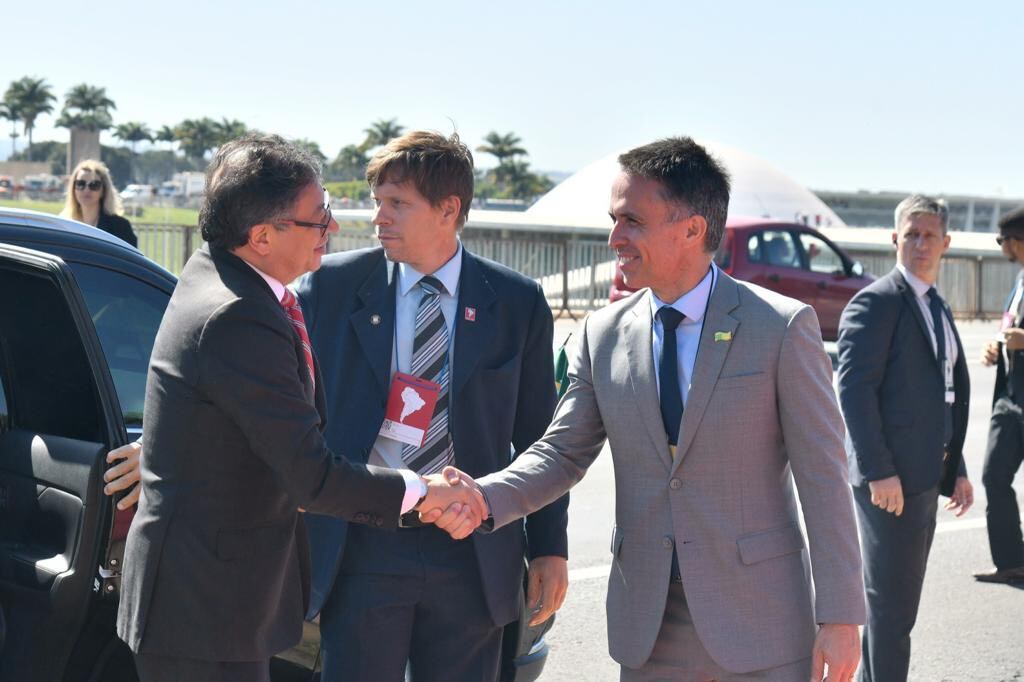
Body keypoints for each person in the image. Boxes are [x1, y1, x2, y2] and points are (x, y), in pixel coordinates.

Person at [436, 136, 865, 680]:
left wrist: (841, 616)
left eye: (632, 221)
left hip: (761, 621)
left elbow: (824, 479)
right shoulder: (603, 333)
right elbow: (562, 452)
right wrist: (483, 496)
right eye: (614, 219)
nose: (615, 237)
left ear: (692, 228)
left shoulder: (782, 327)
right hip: (648, 626)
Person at [115, 134, 485, 682]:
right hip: (206, 612)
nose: (332, 228)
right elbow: (309, 476)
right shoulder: (239, 315)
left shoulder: (219, 276)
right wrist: (424, 492)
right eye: (318, 218)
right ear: (262, 236)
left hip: (209, 602)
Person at [294, 130, 568, 682]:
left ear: (449, 210)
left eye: (397, 204)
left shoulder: (516, 303)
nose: (379, 218)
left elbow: (543, 439)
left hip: (472, 549)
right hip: (365, 540)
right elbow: (278, 400)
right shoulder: (330, 289)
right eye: (378, 202)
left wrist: (549, 548)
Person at [836, 194, 973, 681]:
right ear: (895, 239)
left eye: (929, 235)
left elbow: (945, 392)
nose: (919, 243)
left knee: (895, 613)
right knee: (891, 614)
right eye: (910, 234)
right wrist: (878, 471)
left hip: (921, 479)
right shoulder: (876, 302)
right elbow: (852, 390)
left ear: (946, 243)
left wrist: (954, 466)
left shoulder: (936, 304)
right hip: (888, 484)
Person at [974, 205, 1024, 584]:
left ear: (1016, 241)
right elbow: (1009, 329)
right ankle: (1011, 561)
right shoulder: (1019, 280)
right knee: (994, 475)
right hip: (1010, 398)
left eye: (1001, 240)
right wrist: (996, 345)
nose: (1000, 247)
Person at [60, 159, 138, 246]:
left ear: (104, 191)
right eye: (80, 184)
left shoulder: (120, 227)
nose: (86, 190)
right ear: (73, 189)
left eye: (94, 185)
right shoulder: (64, 225)